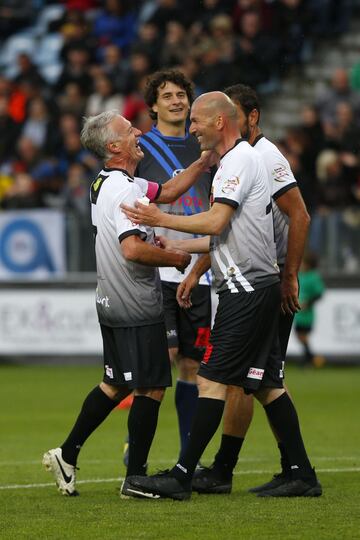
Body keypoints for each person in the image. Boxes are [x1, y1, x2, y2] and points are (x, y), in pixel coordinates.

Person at [122, 91, 321, 500]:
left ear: (219, 123)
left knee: (210, 378)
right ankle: (301, 472)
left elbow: (217, 221)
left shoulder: (241, 161)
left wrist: (162, 216)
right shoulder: (236, 161)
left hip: (246, 289)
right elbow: (224, 236)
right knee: (265, 382)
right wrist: (177, 249)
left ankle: (181, 476)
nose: (191, 127)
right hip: (252, 285)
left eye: (196, 119)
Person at [42, 109, 215, 497]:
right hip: (136, 302)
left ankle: (67, 455)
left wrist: (202, 161)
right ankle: (135, 478)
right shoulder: (126, 190)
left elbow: (168, 193)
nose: (138, 131)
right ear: (115, 146)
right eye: (128, 129)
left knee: (114, 383)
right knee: (151, 388)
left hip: (109, 299)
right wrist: (176, 258)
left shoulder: (107, 183)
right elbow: (134, 249)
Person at [189, 83, 312, 496]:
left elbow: (300, 215)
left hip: (264, 280)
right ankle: (291, 470)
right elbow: (232, 231)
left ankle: (227, 469)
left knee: (253, 378)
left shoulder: (262, 154)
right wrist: (197, 269)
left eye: (237, 115)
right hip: (256, 275)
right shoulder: (236, 157)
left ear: (251, 117)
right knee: (259, 380)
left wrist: (289, 274)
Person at [129, 69, 213, 464]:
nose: (177, 101)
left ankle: (187, 458)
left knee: (193, 365)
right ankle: (138, 452)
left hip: (202, 269)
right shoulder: (142, 148)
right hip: (158, 270)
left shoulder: (207, 146)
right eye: (168, 96)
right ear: (153, 105)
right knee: (160, 361)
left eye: (182, 95)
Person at [295, 252, 325, 367]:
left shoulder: (313, 276)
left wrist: (308, 303)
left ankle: (311, 359)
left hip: (307, 314)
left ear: (309, 265)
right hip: (299, 313)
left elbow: (319, 294)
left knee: (302, 336)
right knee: (300, 336)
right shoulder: (300, 275)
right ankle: (310, 359)